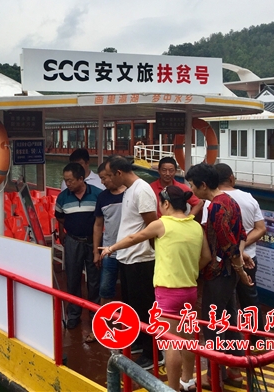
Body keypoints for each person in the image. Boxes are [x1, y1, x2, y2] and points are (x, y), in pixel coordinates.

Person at [100, 185, 211, 392]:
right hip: (190, 290)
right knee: (187, 338)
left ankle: (172, 388)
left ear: (166, 204)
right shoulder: (196, 227)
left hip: (167, 292)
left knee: (170, 342)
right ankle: (188, 380)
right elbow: (206, 256)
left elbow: (134, 238)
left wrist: (111, 248)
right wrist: (191, 270)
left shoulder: (162, 224)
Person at [185, 163, 253, 388]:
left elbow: (227, 245)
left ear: (203, 185)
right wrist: (241, 260)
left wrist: (240, 270)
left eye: (193, 185)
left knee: (212, 323)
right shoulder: (230, 200)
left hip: (218, 273)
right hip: (229, 273)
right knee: (230, 319)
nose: (192, 190)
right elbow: (241, 235)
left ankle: (215, 375)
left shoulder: (215, 207)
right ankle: (234, 370)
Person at [104, 156, 163, 370]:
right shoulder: (129, 190)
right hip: (127, 257)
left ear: (119, 173)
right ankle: (139, 340)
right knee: (132, 305)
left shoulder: (142, 190)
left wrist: (152, 252)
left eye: (109, 175)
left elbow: (151, 226)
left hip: (141, 258)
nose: (108, 180)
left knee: (145, 306)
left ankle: (153, 352)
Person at [215, 163, 267, 341]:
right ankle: (258, 339)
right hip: (248, 259)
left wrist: (234, 248)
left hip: (222, 261)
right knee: (250, 300)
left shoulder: (212, 202)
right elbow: (260, 228)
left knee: (224, 303)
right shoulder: (248, 198)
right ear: (231, 178)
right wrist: (241, 247)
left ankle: (229, 343)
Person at [54, 162, 102, 331]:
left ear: (81, 179)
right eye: (65, 180)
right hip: (73, 241)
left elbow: (101, 219)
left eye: (70, 180)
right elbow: (60, 217)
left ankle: (95, 315)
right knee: (73, 278)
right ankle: (74, 314)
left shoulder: (97, 194)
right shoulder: (63, 197)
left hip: (93, 241)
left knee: (94, 280)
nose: (67, 184)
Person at [93, 160, 125, 306]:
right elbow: (98, 225)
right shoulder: (102, 197)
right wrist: (96, 252)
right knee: (105, 289)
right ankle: (105, 317)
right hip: (109, 251)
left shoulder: (131, 194)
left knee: (130, 289)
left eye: (104, 178)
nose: (102, 182)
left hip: (130, 251)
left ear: (114, 175)